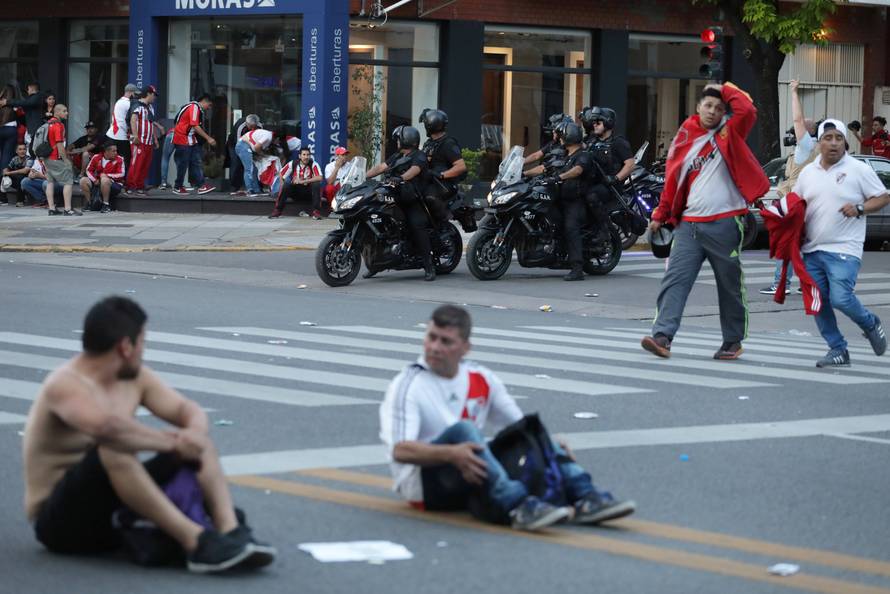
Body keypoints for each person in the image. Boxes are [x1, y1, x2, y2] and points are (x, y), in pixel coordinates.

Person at [22, 296, 276, 573]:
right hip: (62, 522)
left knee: (199, 444)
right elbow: (107, 429)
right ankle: (197, 543)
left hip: (114, 508)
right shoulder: (65, 383)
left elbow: (186, 409)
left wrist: (193, 435)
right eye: (142, 341)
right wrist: (173, 443)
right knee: (113, 447)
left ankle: (231, 534)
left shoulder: (135, 378)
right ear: (126, 346)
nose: (144, 350)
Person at [380, 305, 635, 531]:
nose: (435, 348)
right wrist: (451, 454)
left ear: (465, 348)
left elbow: (519, 427)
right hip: (424, 485)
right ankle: (518, 506)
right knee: (464, 431)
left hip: (470, 470)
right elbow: (400, 451)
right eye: (431, 337)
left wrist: (546, 443)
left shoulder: (481, 378)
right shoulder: (409, 384)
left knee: (533, 430)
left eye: (446, 342)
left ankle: (586, 496)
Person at [641, 83, 769, 360]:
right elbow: (672, 181)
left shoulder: (731, 132)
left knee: (729, 285)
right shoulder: (685, 137)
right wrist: (660, 216)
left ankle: (732, 341)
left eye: (719, 108)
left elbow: (747, 109)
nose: (712, 111)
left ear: (725, 113)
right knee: (675, 280)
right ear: (698, 107)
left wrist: (723, 87)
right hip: (688, 225)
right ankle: (662, 336)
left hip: (725, 223)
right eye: (708, 105)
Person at [792, 120, 890, 367]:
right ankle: (837, 349)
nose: (833, 143)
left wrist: (859, 208)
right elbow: (797, 205)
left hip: (845, 248)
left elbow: (883, 197)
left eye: (838, 138)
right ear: (819, 143)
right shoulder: (808, 173)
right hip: (812, 249)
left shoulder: (858, 169)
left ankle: (871, 323)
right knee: (819, 302)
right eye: (828, 138)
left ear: (845, 142)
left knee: (841, 299)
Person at [761, 79, 818, 296]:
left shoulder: (806, 147)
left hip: (796, 203)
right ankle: (811, 283)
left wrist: (794, 92)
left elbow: (797, 119)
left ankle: (781, 284)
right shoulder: (811, 149)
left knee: (788, 244)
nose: (794, 131)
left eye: (799, 128)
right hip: (800, 202)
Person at [523, 122, 594, 281]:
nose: (559, 139)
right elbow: (544, 167)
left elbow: (578, 170)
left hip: (575, 201)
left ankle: (577, 269)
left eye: (561, 136)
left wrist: (559, 177)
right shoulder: (564, 154)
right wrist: (523, 173)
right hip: (557, 198)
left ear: (568, 137)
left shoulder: (583, 155)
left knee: (570, 227)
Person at [366, 125, 435, 281]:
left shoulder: (419, 156)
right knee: (376, 222)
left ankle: (428, 264)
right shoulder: (397, 156)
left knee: (416, 225)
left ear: (406, 140)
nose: (396, 141)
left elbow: (415, 170)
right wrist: (363, 176)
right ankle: (375, 264)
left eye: (398, 139)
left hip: (413, 199)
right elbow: (381, 167)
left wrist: (401, 178)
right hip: (395, 197)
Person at [582, 106, 635, 241]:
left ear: (608, 123)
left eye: (598, 122)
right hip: (592, 182)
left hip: (610, 187)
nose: (595, 125)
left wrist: (615, 178)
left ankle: (604, 230)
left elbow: (630, 164)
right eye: (594, 122)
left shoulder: (618, 142)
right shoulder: (592, 141)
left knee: (591, 196)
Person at [419, 108, 466, 223]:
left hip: (442, 185)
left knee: (428, 197)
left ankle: (442, 222)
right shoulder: (429, 143)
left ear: (430, 125)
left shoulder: (448, 143)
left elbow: (461, 167)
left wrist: (441, 175)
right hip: (429, 181)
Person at [172, 94, 216, 196]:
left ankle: (201, 185)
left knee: (195, 162)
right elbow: (195, 125)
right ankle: (178, 186)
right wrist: (208, 138)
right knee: (184, 164)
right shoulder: (195, 107)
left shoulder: (193, 107)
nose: (209, 108)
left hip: (189, 138)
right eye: (209, 105)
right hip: (183, 139)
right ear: (204, 101)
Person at [43, 104, 81, 216]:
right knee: (68, 181)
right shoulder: (58, 125)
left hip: (47, 157)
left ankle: (51, 209)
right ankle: (68, 209)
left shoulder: (48, 123)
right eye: (64, 111)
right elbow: (59, 144)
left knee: (50, 182)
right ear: (57, 112)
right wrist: (66, 160)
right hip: (56, 158)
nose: (67, 113)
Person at [269, 147, 323, 219]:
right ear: (299, 156)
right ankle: (278, 210)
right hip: (296, 191)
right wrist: (282, 185)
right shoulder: (293, 163)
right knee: (286, 185)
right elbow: (281, 174)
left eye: (308, 155)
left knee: (316, 184)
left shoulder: (313, 164)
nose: (306, 157)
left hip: (308, 191)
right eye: (304, 155)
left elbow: (320, 177)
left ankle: (316, 212)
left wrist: (303, 181)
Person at [126, 85, 159, 195]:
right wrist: (135, 136)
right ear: (148, 94)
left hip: (148, 141)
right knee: (136, 163)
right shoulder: (137, 105)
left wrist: (155, 138)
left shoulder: (150, 107)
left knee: (145, 164)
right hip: (139, 141)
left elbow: (151, 123)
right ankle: (131, 186)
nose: (154, 98)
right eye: (154, 95)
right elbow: (133, 120)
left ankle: (139, 186)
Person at [80, 143, 126, 213]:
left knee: (104, 180)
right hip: (98, 182)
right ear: (106, 151)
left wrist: (107, 175)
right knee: (83, 180)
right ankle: (90, 204)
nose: (116, 153)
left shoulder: (120, 159)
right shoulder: (96, 157)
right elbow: (88, 170)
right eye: (113, 151)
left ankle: (106, 205)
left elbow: (122, 174)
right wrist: (94, 180)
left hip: (115, 184)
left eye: (116, 151)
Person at [233, 114, 270, 197]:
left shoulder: (260, 126)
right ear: (246, 123)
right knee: (246, 167)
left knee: (254, 167)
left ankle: (256, 189)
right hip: (240, 144)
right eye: (251, 127)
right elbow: (238, 141)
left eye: (254, 127)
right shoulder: (240, 126)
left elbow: (260, 140)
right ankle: (244, 188)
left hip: (252, 145)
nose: (252, 129)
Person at [106, 84, 138, 166]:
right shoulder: (128, 104)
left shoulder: (119, 101)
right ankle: (121, 178)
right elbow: (133, 120)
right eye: (135, 94)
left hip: (112, 134)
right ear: (131, 93)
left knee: (112, 160)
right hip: (120, 137)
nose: (136, 96)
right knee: (124, 162)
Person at [0, 86, 19, 171]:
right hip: (11, 130)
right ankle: (3, 178)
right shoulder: (15, 104)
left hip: (1, 129)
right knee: (7, 155)